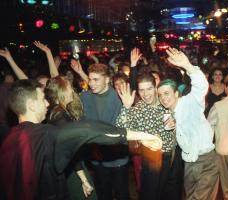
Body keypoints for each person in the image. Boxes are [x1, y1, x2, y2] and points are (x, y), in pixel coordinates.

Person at [0, 79, 162, 200]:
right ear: (31, 105)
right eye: (42, 99)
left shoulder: (8, 139)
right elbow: (88, 130)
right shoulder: (45, 134)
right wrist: (143, 135)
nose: (48, 103)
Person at [158, 48, 219, 200]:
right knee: (190, 196)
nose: (163, 98)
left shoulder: (189, 102)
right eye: (160, 95)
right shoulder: (167, 115)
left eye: (166, 93)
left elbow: (201, 86)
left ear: (176, 93)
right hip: (189, 163)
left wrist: (188, 66)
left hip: (206, 161)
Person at [116, 72, 182, 200]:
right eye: (142, 90)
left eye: (149, 89)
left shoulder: (166, 102)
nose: (146, 94)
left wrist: (176, 123)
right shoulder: (136, 110)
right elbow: (120, 131)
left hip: (173, 157)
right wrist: (126, 107)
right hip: (152, 160)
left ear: (155, 86)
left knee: (173, 195)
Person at [78, 63, 130, 200]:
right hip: (97, 158)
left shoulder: (120, 97)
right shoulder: (84, 97)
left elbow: (125, 127)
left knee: (122, 194)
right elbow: (84, 126)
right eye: (90, 79)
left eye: (96, 80)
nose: (91, 83)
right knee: (103, 194)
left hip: (117, 157)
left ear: (107, 79)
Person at [45, 76, 96, 199]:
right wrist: (83, 180)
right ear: (61, 91)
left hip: (68, 166)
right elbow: (70, 149)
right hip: (73, 169)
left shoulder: (55, 110)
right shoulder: (60, 116)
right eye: (69, 88)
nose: (72, 91)